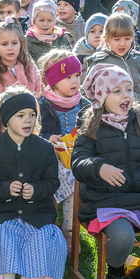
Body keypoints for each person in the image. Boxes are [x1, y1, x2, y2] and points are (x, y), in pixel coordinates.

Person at [0, 85, 67, 279]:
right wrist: (6, 189)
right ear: (7, 120)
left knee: (45, 243)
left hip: (38, 217)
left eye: (33, 115)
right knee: (4, 242)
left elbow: (52, 182)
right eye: (21, 115)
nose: (29, 120)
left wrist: (36, 190)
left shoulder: (45, 148)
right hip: (3, 216)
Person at [71, 63, 140, 279]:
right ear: (101, 97)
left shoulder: (138, 121)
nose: (126, 96)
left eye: (129, 90)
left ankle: (137, 273)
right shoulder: (92, 127)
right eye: (117, 91)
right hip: (106, 202)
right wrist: (99, 167)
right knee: (123, 236)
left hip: (137, 198)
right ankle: (116, 276)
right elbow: (78, 162)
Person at [37, 49, 90, 252]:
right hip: (50, 162)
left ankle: (69, 229)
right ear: (54, 81)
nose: (75, 81)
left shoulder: (84, 105)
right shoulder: (42, 105)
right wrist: (46, 139)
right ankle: (53, 228)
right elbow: (32, 133)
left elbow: (92, 132)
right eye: (68, 77)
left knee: (74, 176)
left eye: (77, 75)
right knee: (69, 179)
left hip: (76, 158)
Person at [86, 12, 140, 99]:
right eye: (117, 39)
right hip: (109, 112)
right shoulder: (99, 63)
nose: (122, 43)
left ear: (132, 38)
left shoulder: (137, 59)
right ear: (106, 39)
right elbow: (89, 94)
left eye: (127, 38)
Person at [0, 16, 41, 97]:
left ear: (21, 43)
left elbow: (39, 93)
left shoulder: (30, 66)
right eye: (4, 44)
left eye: (14, 43)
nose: (10, 48)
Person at [73, 12, 108, 83]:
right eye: (92, 31)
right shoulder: (78, 54)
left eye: (101, 31)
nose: (97, 35)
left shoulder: (112, 52)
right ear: (86, 34)